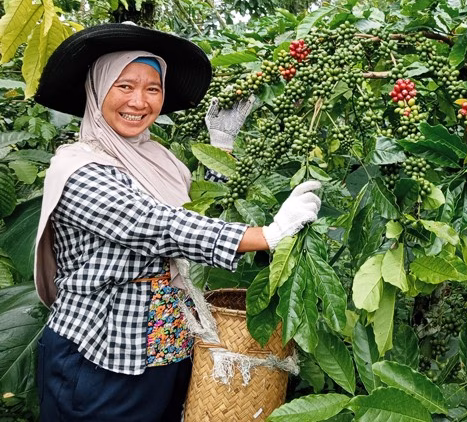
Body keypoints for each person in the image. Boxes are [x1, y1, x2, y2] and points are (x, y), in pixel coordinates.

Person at [31, 22, 320, 421]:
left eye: (153, 88)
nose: (139, 101)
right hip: (97, 350)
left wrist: (221, 148)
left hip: (164, 344)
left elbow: (191, 213)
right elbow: (153, 224)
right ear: (97, 90)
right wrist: (267, 235)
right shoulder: (77, 167)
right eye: (125, 86)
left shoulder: (159, 160)